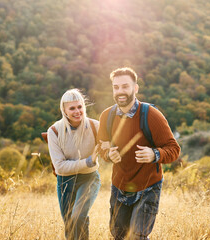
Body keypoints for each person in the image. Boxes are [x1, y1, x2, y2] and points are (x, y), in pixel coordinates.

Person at [97, 67, 181, 239]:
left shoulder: (151, 115)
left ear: (135, 88)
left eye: (125, 86)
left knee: (137, 236)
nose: (120, 91)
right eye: (116, 87)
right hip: (119, 186)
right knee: (118, 235)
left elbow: (174, 149)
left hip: (148, 186)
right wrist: (107, 154)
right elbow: (101, 147)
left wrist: (154, 154)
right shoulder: (107, 116)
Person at [47, 89, 101, 240]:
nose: (77, 111)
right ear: (64, 110)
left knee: (78, 215)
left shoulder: (96, 126)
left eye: (80, 107)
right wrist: (88, 161)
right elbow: (60, 167)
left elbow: (109, 151)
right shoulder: (54, 131)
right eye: (72, 108)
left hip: (89, 178)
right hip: (65, 181)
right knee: (70, 225)